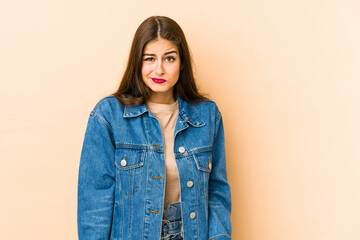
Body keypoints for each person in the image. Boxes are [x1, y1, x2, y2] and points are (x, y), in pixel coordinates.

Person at [77, 16, 231, 240]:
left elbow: (217, 194)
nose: (159, 69)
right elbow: (94, 203)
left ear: (182, 63)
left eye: (169, 58)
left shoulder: (207, 116)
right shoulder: (108, 116)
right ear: (137, 62)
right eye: (149, 58)